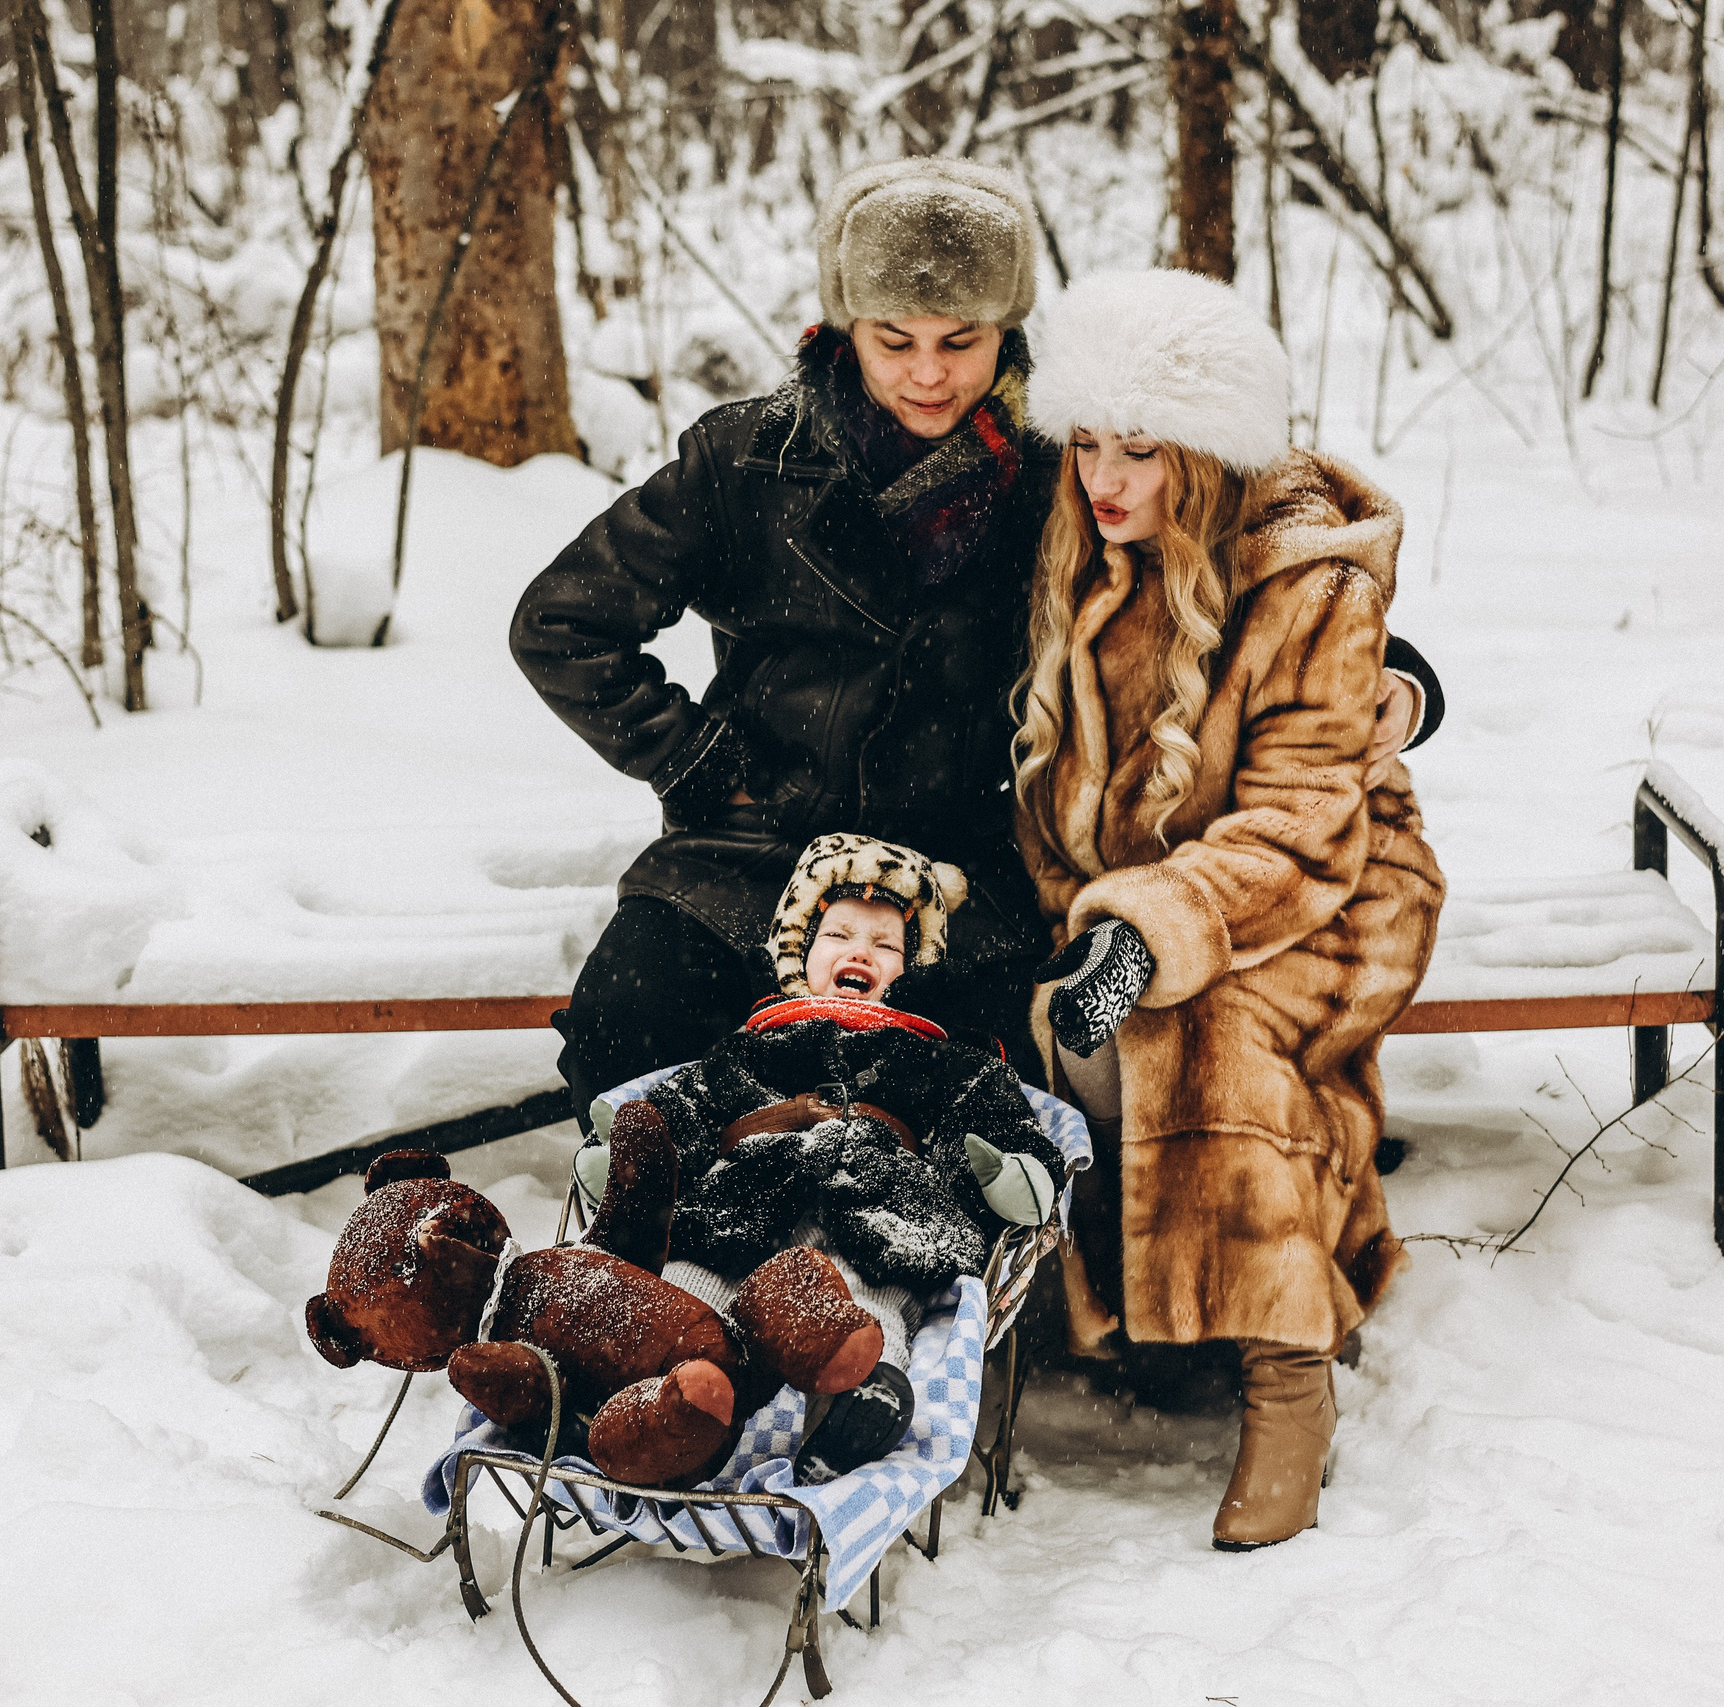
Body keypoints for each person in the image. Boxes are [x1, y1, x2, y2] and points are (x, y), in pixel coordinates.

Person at [510, 158, 1447, 1122]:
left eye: (961, 340)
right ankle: (685, 1256)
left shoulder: (1066, 458)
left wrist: (1393, 675)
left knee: (989, 1100)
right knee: (627, 1046)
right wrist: (701, 763)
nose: (929, 373)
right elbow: (562, 623)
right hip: (749, 854)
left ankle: (912, 1265)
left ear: (1007, 330)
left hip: (969, 865)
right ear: (843, 327)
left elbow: (1238, 555)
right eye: (894, 339)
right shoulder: (746, 459)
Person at [1011, 269, 1447, 1551]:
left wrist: (1148, 932)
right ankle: (1150, 1311)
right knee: (1078, 1026)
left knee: (1201, 1036)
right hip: (1148, 896)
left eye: (1142, 450)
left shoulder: (1310, 583)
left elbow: (1307, 821)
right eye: (1086, 443)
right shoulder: (1081, 555)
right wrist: (1111, 919)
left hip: (1333, 887)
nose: (1106, 477)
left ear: (1203, 452)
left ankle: (1283, 1379)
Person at [576, 832, 1067, 1481]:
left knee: (866, 1292)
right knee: (692, 1286)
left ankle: (864, 1397)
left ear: (913, 966)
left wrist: (1013, 1167)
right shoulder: (752, 1046)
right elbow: (688, 1104)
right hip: (743, 1198)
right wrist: (634, 1151)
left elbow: (988, 1111)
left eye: (886, 943)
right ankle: (673, 1407)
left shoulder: (938, 1056)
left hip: (874, 1198)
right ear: (799, 954)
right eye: (837, 935)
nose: (860, 950)